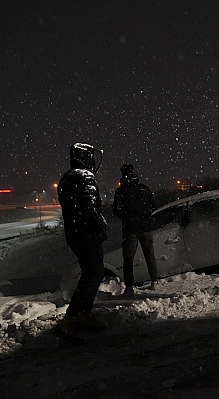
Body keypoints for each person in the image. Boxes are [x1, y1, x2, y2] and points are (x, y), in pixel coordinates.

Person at [54, 143, 108, 343]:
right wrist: (101, 226)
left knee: (92, 272)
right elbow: (89, 208)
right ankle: (71, 319)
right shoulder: (84, 178)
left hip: (75, 234)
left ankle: (83, 313)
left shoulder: (67, 178)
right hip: (87, 234)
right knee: (94, 273)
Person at [113, 164, 159, 295]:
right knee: (149, 255)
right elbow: (154, 205)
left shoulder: (120, 192)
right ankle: (154, 281)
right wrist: (146, 216)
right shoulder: (144, 189)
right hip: (146, 227)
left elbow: (117, 210)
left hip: (130, 228)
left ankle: (129, 286)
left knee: (128, 258)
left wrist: (127, 217)